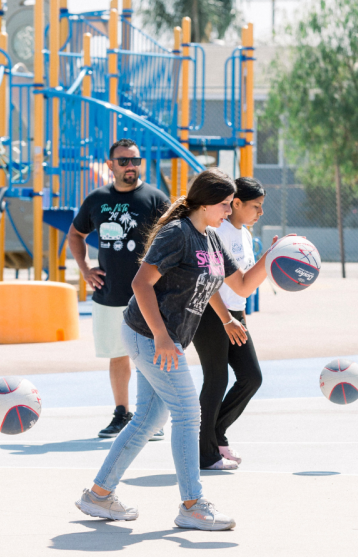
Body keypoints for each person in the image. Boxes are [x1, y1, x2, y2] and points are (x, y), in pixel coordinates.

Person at [75, 168, 271, 531]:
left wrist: (267, 264)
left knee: (149, 419)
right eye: (226, 205)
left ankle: (99, 495)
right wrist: (162, 336)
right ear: (207, 202)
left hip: (162, 338)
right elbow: (141, 283)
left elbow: (237, 285)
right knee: (188, 412)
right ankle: (193, 504)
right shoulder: (176, 234)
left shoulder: (211, 238)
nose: (229, 211)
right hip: (149, 336)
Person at [68, 138, 170, 439]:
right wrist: (86, 268)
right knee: (117, 355)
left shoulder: (154, 198)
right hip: (109, 293)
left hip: (148, 295)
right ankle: (122, 413)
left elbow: (174, 237)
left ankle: (151, 418)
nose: (130, 166)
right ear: (110, 164)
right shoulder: (97, 199)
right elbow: (75, 235)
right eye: (123, 161)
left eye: (135, 161)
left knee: (150, 356)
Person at [192, 177, 266, 470]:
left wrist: (272, 259)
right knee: (217, 378)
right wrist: (225, 319)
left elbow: (244, 285)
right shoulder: (215, 231)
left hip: (235, 314)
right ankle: (205, 453)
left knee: (251, 377)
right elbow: (210, 283)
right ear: (235, 204)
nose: (260, 213)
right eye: (256, 206)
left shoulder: (244, 234)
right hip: (212, 313)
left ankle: (215, 435)